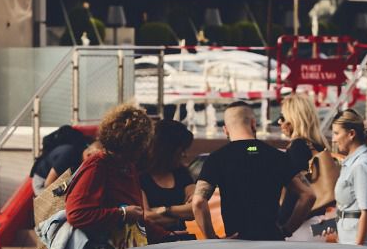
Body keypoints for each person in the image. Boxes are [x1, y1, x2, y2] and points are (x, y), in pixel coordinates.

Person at [192, 102, 313, 240]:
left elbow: (198, 202)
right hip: (272, 241)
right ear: (253, 123)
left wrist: (212, 238)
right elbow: (308, 195)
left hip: (237, 243)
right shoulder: (277, 156)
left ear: (225, 129)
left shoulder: (217, 158)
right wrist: (287, 230)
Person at [65, 103, 153, 249]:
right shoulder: (98, 165)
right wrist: (122, 214)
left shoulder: (127, 166)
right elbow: (77, 214)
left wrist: (167, 235)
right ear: (133, 143)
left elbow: (137, 218)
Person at [277, 94, 338, 241]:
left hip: (300, 226)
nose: (279, 122)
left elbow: (295, 193)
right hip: (320, 223)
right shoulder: (318, 145)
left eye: (283, 117)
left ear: (294, 119)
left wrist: (280, 224)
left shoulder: (297, 147)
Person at [329, 109, 367, 247]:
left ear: (351, 134)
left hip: (360, 247)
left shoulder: (361, 165)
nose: (333, 139)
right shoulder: (355, 162)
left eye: (336, 133)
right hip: (350, 241)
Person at [141, 119, 195, 241]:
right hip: (150, 244)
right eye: (182, 149)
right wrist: (180, 215)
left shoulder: (181, 173)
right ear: (168, 149)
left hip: (180, 240)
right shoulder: (140, 175)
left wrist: (164, 210)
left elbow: (194, 209)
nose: (184, 155)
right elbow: (146, 217)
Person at [30, 125, 90, 193]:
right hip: (42, 182)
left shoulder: (82, 147)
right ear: (88, 154)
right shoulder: (68, 154)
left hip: (56, 177)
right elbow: (48, 184)